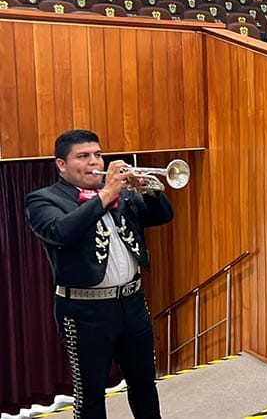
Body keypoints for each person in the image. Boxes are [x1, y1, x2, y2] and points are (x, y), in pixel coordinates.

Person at [25, 129, 174, 419]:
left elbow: (162, 216)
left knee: (144, 383)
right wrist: (107, 194)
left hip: (132, 303)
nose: (94, 162)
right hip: (84, 310)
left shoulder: (122, 194)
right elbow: (61, 232)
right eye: (83, 156)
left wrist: (149, 190)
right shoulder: (42, 200)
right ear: (61, 165)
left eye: (97, 154)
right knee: (90, 394)